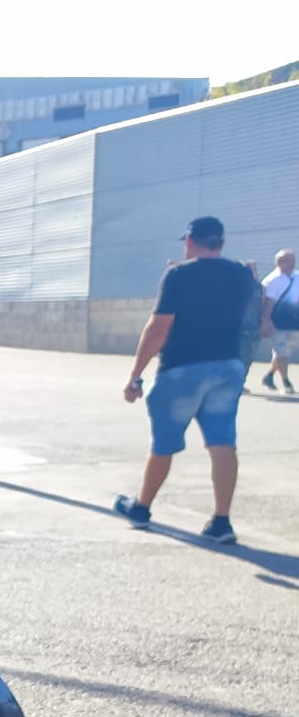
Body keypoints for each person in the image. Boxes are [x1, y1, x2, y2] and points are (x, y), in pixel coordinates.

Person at [114, 217, 256, 545]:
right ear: (220, 242)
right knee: (222, 442)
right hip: (227, 367)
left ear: (190, 241)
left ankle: (142, 508)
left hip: (182, 370)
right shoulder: (241, 275)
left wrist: (135, 375)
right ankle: (222, 521)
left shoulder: (177, 275)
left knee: (163, 443)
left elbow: (158, 328)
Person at [260, 249, 297, 393]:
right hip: (277, 323)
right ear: (279, 262)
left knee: (284, 352)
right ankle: (286, 382)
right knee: (282, 352)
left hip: (294, 323)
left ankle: (269, 376)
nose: (292, 261)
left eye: (293, 258)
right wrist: (266, 321)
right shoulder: (273, 280)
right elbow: (268, 304)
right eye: (288, 259)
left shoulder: (297, 276)